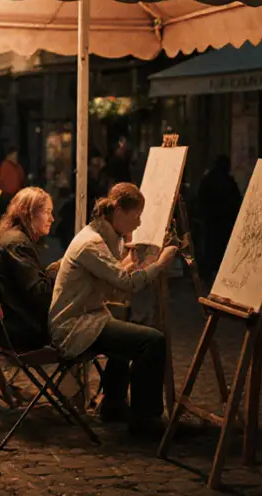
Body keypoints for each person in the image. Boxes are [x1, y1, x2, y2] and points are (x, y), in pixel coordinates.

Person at [49, 182, 179, 438]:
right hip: (74, 327)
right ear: (119, 210)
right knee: (152, 341)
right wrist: (161, 263)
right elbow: (126, 283)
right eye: (136, 216)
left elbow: (113, 281)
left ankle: (114, 404)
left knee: (123, 321)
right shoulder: (92, 244)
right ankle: (146, 421)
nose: (139, 223)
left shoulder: (97, 237)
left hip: (86, 317)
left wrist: (130, 263)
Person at [0, 187, 56, 352]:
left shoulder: (7, 237)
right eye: (47, 212)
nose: (52, 218)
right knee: (89, 331)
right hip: (21, 333)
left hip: (2, 329)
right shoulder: (18, 243)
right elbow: (40, 295)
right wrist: (63, 273)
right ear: (29, 213)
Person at [197, 154, 242, 279]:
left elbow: (201, 198)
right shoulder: (228, 181)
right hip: (223, 221)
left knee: (211, 246)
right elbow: (236, 201)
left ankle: (208, 272)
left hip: (213, 220)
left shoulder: (210, 179)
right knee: (220, 248)